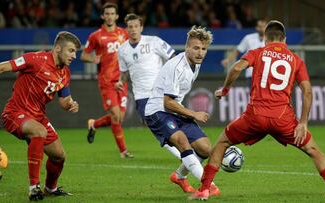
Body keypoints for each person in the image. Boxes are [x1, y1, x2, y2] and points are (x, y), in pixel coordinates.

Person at [190, 20, 325, 201]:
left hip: (255, 117)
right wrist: (303, 123)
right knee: (314, 150)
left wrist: (225, 90)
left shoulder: (258, 52)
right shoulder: (295, 59)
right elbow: (307, 91)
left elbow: (237, 67)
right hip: (283, 119)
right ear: (284, 39)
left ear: (265, 39)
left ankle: (204, 190)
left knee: (222, 143)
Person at [116, 13, 194, 193]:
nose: (133, 29)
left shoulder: (154, 42)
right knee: (163, 131)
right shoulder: (122, 50)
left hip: (161, 94)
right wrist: (121, 81)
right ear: (126, 29)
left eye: (136, 26)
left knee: (174, 129)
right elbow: (123, 73)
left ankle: (187, 156)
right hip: (142, 97)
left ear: (141, 27)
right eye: (130, 27)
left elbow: (175, 58)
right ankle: (186, 158)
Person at [0, 31, 81, 201]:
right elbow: (3, 67)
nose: (74, 56)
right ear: (58, 48)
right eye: (71, 51)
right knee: (39, 131)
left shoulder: (65, 73)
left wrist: (71, 104)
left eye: (75, 52)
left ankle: (50, 188)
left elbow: (64, 101)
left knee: (59, 156)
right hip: (15, 112)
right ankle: (33, 187)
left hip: (38, 116)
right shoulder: (35, 60)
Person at [144, 26, 220, 196]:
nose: (200, 52)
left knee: (205, 148)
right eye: (196, 48)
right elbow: (167, 102)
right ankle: (209, 186)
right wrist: (194, 114)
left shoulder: (196, 65)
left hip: (175, 111)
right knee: (182, 141)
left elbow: (174, 102)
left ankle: (179, 176)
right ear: (187, 48)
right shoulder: (176, 66)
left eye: (203, 49)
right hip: (157, 111)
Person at [80, 2, 133, 158]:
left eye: (112, 14)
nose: (109, 16)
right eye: (107, 14)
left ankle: (94, 124)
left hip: (121, 80)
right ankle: (123, 152)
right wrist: (92, 59)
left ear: (117, 16)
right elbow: (83, 55)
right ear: (102, 16)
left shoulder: (124, 34)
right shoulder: (96, 36)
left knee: (119, 118)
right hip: (106, 82)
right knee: (116, 116)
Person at [221, 18, 267, 89]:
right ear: (256, 27)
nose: (262, 29)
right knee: (252, 97)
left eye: (264, 26)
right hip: (251, 74)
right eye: (260, 26)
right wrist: (227, 59)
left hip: (266, 74)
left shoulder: (270, 39)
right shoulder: (248, 38)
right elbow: (238, 50)